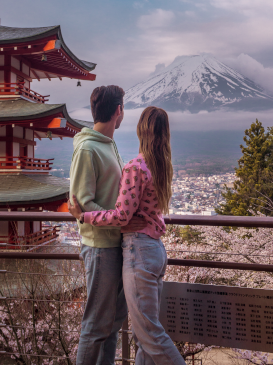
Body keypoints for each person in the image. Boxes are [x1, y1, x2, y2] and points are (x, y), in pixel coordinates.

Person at [69, 106, 186, 365]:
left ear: (140, 130)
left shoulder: (136, 166)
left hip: (139, 253)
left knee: (149, 333)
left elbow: (122, 216)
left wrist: (83, 216)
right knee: (143, 335)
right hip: (156, 250)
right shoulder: (163, 166)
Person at [69, 85, 147, 365]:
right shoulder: (88, 148)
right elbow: (80, 203)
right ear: (119, 111)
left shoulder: (108, 144)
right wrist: (121, 220)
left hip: (116, 244)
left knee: (112, 323)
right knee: (95, 325)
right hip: (100, 246)